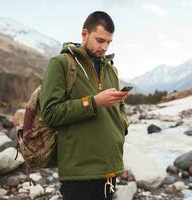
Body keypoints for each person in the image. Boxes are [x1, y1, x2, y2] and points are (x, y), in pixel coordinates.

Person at [39, 11, 129, 200]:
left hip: (110, 166)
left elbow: (119, 109)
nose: (104, 47)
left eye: (109, 42)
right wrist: (94, 102)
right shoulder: (61, 64)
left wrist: (122, 123)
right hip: (79, 171)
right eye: (100, 40)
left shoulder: (111, 69)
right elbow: (50, 113)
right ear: (84, 34)